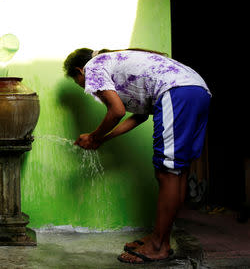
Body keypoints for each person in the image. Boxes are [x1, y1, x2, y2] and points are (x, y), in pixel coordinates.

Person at [64, 48, 211, 264]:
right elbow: (138, 117)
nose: (92, 90)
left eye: (82, 84)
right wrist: (102, 139)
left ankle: (159, 246)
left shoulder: (93, 66)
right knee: (178, 171)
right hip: (197, 91)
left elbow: (116, 112)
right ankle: (160, 238)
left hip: (177, 91)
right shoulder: (123, 69)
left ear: (80, 70)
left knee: (167, 173)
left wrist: (93, 135)